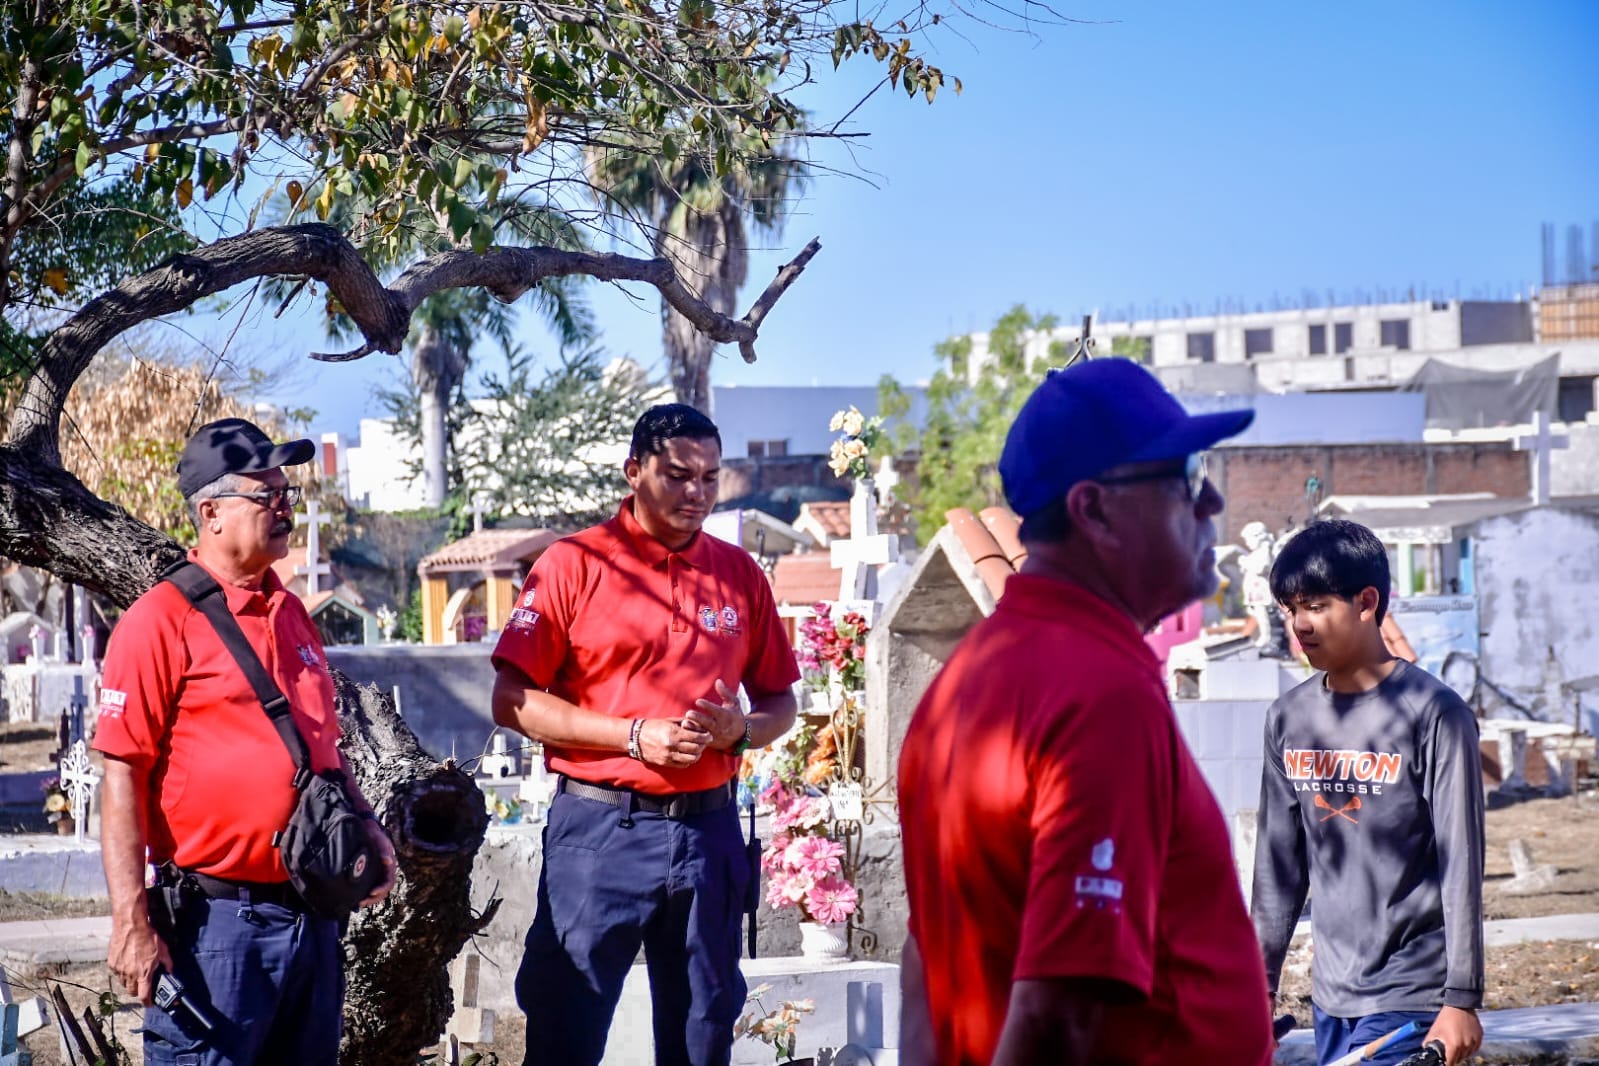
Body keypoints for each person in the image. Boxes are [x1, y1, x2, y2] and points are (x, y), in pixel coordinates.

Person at [897, 358, 1275, 1065]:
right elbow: (1059, 1015)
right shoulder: (1098, 694)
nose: (1212, 505)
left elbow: (923, 962)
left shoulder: (959, 685)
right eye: (1186, 476)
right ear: (1093, 509)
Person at [490, 403, 800, 1066]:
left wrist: (740, 730)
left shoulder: (739, 572)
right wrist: (633, 737)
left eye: (711, 478)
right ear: (634, 472)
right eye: (678, 475)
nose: (697, 493)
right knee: (564, 1029)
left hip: (708, 834)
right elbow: (512, 701)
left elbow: (780, 702)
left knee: (703, 1031)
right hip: (600, 833)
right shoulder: (572, 564)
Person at [94, 417, 396, 1066]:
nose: (284, 506)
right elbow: (119, 773)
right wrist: (130, 921)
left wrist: (367, 827)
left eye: (287, 493)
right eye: (267, 496)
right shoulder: (158, 622)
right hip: (216, 929)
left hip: (311, 917)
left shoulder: (292, 615)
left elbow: (323, 753)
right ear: (212, 512)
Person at [1252, 518, 1485, 1066]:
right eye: (1290, 609)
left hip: (1412, 998)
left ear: (1366, 602)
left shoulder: (1435, 714)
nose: (1299, 625)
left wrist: (1462, 997)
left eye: (1314, 606)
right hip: (1331, 998)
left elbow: (1462, 863)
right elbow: (1278, 867)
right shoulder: (1289, 717)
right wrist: (1256, 986)